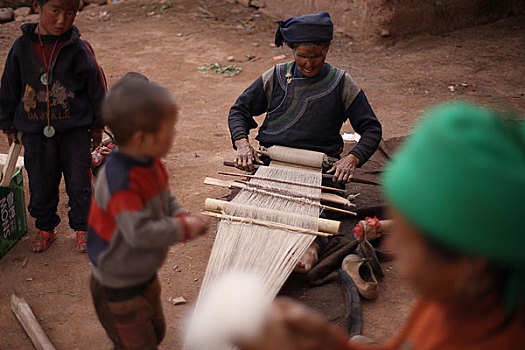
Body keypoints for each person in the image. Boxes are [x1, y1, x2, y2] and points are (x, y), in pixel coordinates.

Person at [238, 102, 525, 350]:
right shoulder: (455, 299)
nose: (389, 246)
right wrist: (329, 342)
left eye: (406, 237)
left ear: (470, 262)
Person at [228, 12, 382, 273]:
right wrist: (243, 144)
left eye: (316, 56)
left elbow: (371, 129)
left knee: (325, 212)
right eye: (302, 56)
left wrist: (352, 158)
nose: (309, 64)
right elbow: (239, 111)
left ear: (327, 50)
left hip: (321, 170)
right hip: (272, 163)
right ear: (292, 51)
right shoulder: (274, 77)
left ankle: (312, 244)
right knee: (246, 220)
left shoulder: (341, 83)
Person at [87, 77, 209, 349]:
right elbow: (139, 232)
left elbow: (164, 197)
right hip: (117, 284)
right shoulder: (121, 181)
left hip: (140, 272)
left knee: (156, 332)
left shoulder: (149, 162)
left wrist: (181, 214)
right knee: (138, 344)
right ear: (141, 138)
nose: (174, 134)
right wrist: (184, 229)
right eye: (169, 130)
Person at [0, 0, 106, 253]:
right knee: (40, 183)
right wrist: (7, 125)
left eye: (70, 13)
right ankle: (46, 227)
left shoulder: (79, 49)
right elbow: (8, 88)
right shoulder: (21, 49)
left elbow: (97, 89)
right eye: (55, 11)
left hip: (74, 133)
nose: (62, 20)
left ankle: (84, 228)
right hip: (36, 134)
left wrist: (97, 125)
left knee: (80, 183)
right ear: (38, 6)